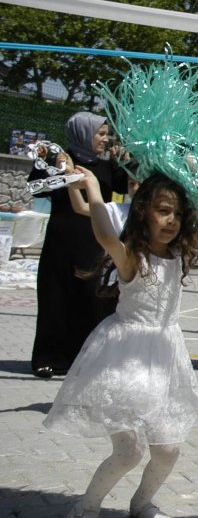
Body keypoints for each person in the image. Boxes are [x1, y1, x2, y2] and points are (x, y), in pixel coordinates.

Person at [46, 170, 198, 518]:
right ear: (143, 213)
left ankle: (142, 502)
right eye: (163, 211)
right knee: (128, 451)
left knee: (169, 448)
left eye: (178, 214)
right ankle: (84, 509)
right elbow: (104, 234)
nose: (172, 221)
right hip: (125, 363)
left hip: (166, 361)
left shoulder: (180, 255)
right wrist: (93, 187)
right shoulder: (130, 258)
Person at [29, 112, 128, 378]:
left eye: (107, 134)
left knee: (92, 301)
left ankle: (83, 358)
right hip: (62, 242)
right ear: (84, 133)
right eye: (101, 134)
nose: (105, 140)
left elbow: (130, 184)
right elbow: (36, 189)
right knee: (56, 298)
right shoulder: (59, 160)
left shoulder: (106, 165)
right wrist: (58, 167)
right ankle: (47, 358)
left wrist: (126, 160)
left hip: (96, 241)